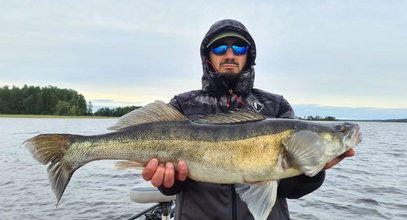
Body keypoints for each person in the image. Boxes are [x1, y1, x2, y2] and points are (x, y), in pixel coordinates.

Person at [141, 19, 355, 220]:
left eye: (239, 48)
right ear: (208, 57)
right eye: (220, 48)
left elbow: (292, 190)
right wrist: (168, 184)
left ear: (248, 56)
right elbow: (171, 185)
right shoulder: (182, 105)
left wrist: (313, 171)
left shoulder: (276, 106)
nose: (230, 55)